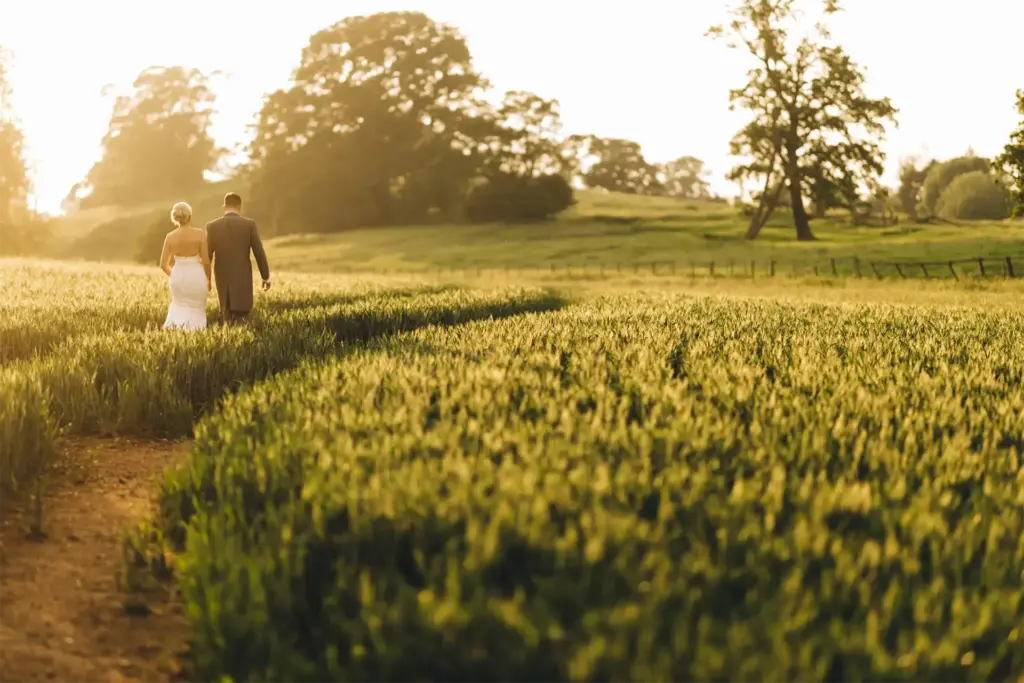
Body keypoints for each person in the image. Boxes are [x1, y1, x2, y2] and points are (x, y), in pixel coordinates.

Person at [206, 192, 271, 324]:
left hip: (222, 276)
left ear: (224, 206)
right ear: (239, 206)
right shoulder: (249, 225)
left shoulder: (212, 226)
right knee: (243, 317)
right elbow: (259, 252)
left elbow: (207, 256)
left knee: (226, 315)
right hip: (243, 277)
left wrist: (206, 279)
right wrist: (265, 276)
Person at [160, 201, 210, 331]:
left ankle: (174, 331)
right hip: (196, 276)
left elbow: (163, 264)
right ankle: (196, 331)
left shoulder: (170, 237)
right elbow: (206, 261)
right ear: (190, 216)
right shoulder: (200, 234)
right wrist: (209, 279)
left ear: (175, 218)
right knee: (197, 307)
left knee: (179, 305)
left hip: (178, 276)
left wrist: (175, 274)